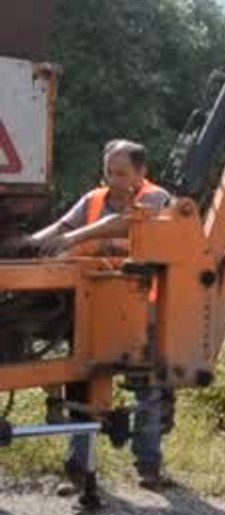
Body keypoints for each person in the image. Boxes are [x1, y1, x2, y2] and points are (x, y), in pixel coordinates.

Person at [29, 140, 177, 494]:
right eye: (109, 171)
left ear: (141, 172)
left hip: (145, 311)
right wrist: (29, 244)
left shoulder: (157, 199)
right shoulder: (93, 200)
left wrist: (75, 238)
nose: (113, 179)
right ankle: (80, 467)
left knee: (149, 388)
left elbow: (121, 225)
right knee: (83, 386)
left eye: (121, 173)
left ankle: (149, 466)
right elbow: (61, 227)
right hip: (92, 309)